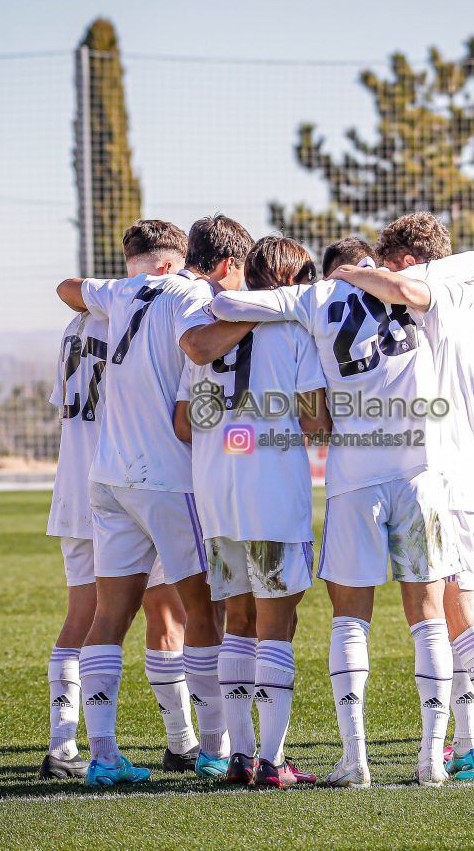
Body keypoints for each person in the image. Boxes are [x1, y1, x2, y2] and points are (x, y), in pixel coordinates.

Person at [209, 232, 474, 788]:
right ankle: (432, 758)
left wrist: (322, 289)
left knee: (350, 619)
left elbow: (229, 304)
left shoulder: (311, 297)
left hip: (353, 480)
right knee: (428, 616)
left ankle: (354, 758)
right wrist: (373, 278)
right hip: (420, 476)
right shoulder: (413, 283)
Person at [331, 212, 474, 782]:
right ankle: (469, 744)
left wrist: (351, 274)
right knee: (459, 609)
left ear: (409, 264)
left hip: (445, 476)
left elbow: (406, 291)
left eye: (390, 267)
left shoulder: (436, 300)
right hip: (471, 476)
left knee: (456, 613)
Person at [54, 218, 253, 788]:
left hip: (108, 477)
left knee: (109, 616)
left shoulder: (120, 291)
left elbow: (68, 287)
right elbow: (196, 351)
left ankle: (103, 755)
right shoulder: (189, 294)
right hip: (167, 479)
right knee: (202, 612)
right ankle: (212, 749)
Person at [174, 235, 331, 788]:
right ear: (290, 282)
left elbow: (184, 424)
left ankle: (239, 755)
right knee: (277, 625)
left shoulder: (210, 333)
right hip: (273, 496)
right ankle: (272, 760)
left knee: (237, 623)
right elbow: (316, 422)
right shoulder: (293, 332)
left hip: (218, 497)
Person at [40, 299, 195, 779]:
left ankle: (62, 744)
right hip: (127, 480)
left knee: (82, 617)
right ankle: (182, 743)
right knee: (165, 612)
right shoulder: (137, 319)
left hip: (74, 488)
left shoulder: (76, 324)